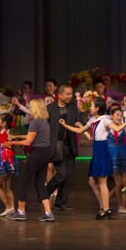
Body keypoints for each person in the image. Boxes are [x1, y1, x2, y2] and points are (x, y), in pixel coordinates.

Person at [4, 98, 54, 222]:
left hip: (37, 154)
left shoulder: (34, 122)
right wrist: (18, 135)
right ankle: (48, 213)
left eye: (31, 107)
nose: (30, 110)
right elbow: (32, 135)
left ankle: (21, 212)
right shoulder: (44, 122)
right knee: (40, 184)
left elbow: (28, 141)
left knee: (23, 181)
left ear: (36, 109)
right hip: (45, 153)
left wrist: (12, 142)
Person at [46, 84, 80, 212]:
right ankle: (44, 193)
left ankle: (60, 202)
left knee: (70, 178)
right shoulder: (50, 108)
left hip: (69, 145)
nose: (70, 96)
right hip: (56, 147)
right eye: (68, 94)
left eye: (71, 94)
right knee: (62, 174)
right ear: (59, 94)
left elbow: (78, 120)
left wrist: (79, 123)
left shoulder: (73, 107)